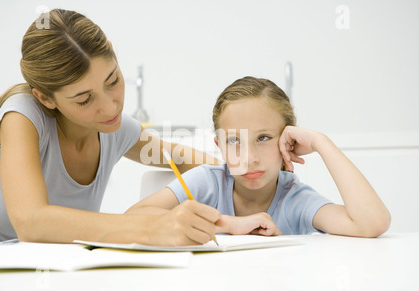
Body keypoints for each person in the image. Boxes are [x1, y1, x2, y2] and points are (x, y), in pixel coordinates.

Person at [0, 9, 221, 245]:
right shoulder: (23, 117)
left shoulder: (116, 130)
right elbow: (31, 222)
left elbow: (177, 157)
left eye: (112, 81)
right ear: (45, 98)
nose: (110, 108)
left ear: (113, 52)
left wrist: (241, 181)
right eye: (84, 99)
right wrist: (153, 228)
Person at [126, 76, 391, 238]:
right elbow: (131, 219)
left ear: (288, 140)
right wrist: (229, 225)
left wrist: (322, 143)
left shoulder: (294, 199)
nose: (249, 158)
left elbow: (372, 223)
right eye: (234, 141)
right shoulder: (206, 183)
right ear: (219, 145)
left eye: (263, 138)